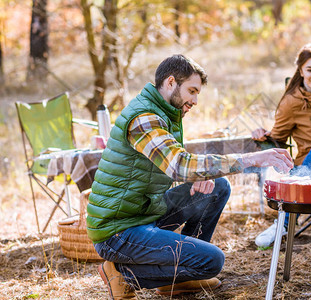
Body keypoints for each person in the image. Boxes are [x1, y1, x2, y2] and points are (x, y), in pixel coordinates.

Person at [86, 54, 294, 298]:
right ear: (171, 82)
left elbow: (163, 167)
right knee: (213, 261)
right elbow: (179, 166)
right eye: (192, 91)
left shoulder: (165, 111)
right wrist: (252, 158)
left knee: (217, 187)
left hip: (143, 212)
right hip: (118, 230)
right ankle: (122, 274)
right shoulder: (144, 118)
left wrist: (198, 175)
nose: (195, 101)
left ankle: (179, 277)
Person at [252, 43, 311, 248]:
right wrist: (261, 135)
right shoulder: (292, 102)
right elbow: (278, 137)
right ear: (301, 71)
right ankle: (283, 223)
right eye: (310, 70)